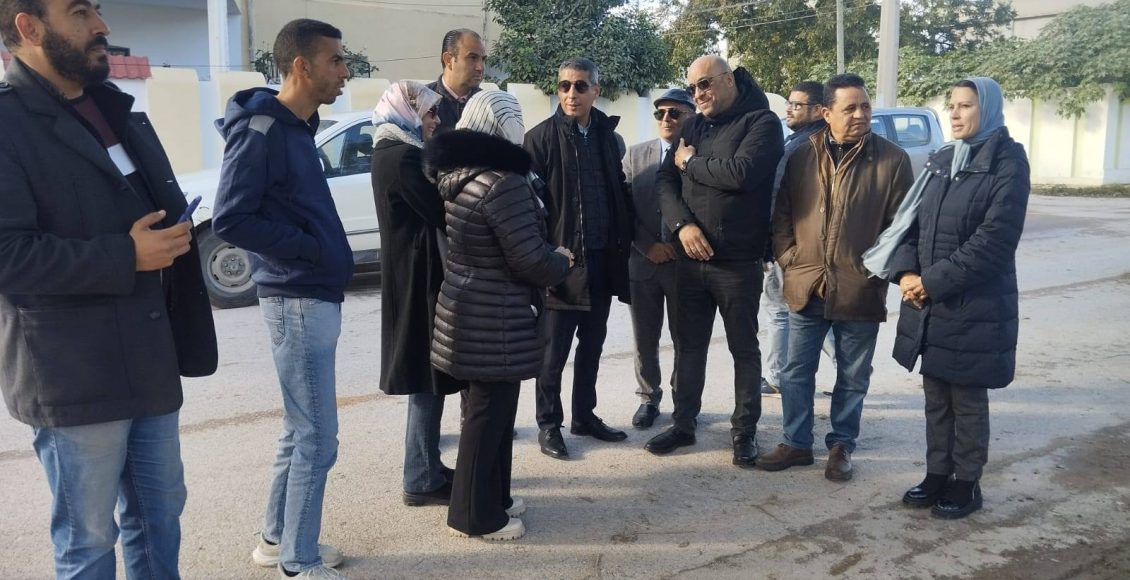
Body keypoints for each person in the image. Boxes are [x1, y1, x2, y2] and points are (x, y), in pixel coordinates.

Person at [0, 1, 218, 577]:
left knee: (160, 516)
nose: (102, 26)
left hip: (149, 357)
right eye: (80, 13)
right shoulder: (7, 124)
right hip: (73, 373)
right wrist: (127, 255)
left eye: (97, 10)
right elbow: (7, 254)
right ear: (28, 27)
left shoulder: (113, 109)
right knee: (89, 539)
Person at [212, 18, 353, 579]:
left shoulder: (295, 127)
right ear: (301, 65)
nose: (345, 71)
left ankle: (277, 540)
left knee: (300, 431)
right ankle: (298, 561)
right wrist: (306, 250)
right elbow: (230, 217)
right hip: (296, 297)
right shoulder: (263, 129)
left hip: (309, 293)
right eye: (335, 60)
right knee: (318, 438)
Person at [426, 90, 572, 540]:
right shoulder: (502, 182)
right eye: (514, 119)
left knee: (488, 412)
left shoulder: (461, 174)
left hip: (471, 307)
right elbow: (528, 259)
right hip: (495, 315)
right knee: (488, 417)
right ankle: (474, 517)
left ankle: (495, 499)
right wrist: (561, 260)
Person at [760, 73, 913, 482]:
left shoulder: (892, 160)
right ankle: (796, 442)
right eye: (850, 108)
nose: (860, 114)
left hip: (859, 287)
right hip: (806, 283)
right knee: (795, 371)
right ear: (826, 113)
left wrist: (872, 271)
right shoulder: (801, 155)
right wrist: (790, 259)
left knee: (853, 375)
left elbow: (901, 227)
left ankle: (842, 444)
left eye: (865, 106)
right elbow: (782, 215)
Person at [890, 77, 1029, 519]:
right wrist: (906, 273)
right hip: (931, 302)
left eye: (965, 105)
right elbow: (911, 223)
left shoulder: (1007, 162)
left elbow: (993, 242)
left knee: (966, 399)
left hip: (975, 305)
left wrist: (930, 282)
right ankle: (937, 473)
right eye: (951, 105)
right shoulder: (945, 158)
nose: (954, 113)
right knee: (936, 395)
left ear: (987, 110)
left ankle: (967, 483)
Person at [647, 55, 783, 468]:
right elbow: (665, 181)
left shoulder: (762, 123)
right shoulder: (693, 126)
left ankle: (744, 431)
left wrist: (690, 162)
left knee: (744, 348)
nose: (697, 94)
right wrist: (682, 225)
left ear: (728, 80)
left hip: (737, 262)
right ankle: (683, 423)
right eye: (692, 88)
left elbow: (741, 173)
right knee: (688, 347)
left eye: (704, 84)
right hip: (690, 261)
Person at [525, 57, 634, 460]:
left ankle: (584, 416)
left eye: (581, 86)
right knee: (553, 353)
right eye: (565, 86)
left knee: (592, 345)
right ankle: (548, 425)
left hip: (603, 260)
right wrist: (544, 256)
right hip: (561, 263)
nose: (572, 94)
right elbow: (530, 207)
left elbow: (618, 192)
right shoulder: (539, 139)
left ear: (596, 91)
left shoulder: (608, 137)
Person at [370, 81, 466, 508]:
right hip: (418, 280)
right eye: (429, 113)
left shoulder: (391, 151)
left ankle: (427, 465)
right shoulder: (403, 157)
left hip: (412, 275)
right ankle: (421, 476)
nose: (435, 121)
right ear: (407, 112)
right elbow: (440, 211)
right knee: (427, 379)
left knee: (427, 377)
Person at [622, 88, 695, 429]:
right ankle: (648, 398)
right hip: (644, 262)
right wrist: (645, 244)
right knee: (644, 339)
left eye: (675, 113)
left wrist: (680, 245)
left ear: (690, 117)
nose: (666, 119)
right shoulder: (635, 156)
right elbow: (622, 207)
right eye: (660, 113)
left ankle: (684, 403)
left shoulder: (701, 156)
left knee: (686, 340)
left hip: (685, 265)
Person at [761, 81, 835, 398]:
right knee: (803, 310)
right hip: (800, 246)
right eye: (788, 103)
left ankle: (777, 376)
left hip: (791, 245)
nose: (789, 110)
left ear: (819, 110)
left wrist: (771, 245)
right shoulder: (809, 141)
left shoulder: (805, 146)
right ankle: (847, 366)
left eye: (797, 105)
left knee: (784, 309)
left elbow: (778, 198)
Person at [427, 28, 486, 134]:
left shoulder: (489, 105)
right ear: (448, 60)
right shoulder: (422, 103)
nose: (480, 67)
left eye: (483, 59)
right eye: (472, 58)